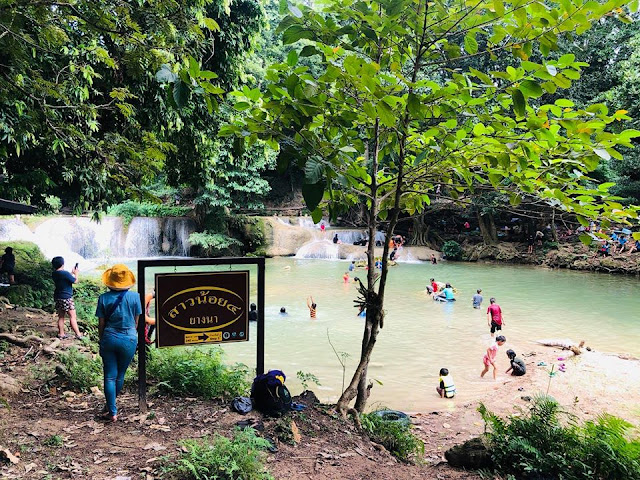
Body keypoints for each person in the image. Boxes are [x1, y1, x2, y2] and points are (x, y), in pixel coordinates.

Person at [96, 264, 142, 422]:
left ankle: (112, 411)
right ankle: (111, 405)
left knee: (109, 377)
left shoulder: (103, 298)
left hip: (109, 337)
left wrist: (102, 340)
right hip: (129, 338)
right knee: (120, 375)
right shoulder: (135, 297)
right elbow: (136, 322)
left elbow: (101, 324)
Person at [52, 256, 83, 340]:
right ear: (63, 264)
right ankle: (78, 334)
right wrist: (76, 273)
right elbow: (75, 281)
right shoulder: (65, 273)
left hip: (58, 297)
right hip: (67, 297)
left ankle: (61, 334)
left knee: (61, 316)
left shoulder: (54, 273)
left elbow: (64, 278)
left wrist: (71, 273)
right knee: (72, 316)